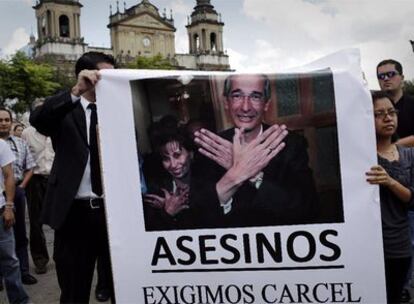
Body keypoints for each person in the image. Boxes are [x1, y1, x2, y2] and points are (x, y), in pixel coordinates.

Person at [29, 51, 115, 303]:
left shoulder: (120, 111)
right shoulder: (65, 108)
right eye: (103, 76)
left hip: (112, 213)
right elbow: (39, 120)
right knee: (74, 288)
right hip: (74, 213)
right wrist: (75, 91)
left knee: (120, 284)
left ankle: (105, 286)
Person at [192, 74, 318, 228]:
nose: (246, 107)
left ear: (266, 104)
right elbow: (197, 218)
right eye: (237, 96)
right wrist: (235, 175)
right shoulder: (211, 149)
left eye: (255, 97)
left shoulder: (290, 145)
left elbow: (306, 209)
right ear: (226, 102)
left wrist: (256, 177)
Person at [366, 91, 414, 304]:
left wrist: (390, 182)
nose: (388, 118)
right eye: (379, 114)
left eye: (391, 112)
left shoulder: (408, 155)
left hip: (399, 245)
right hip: (368, 247)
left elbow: (412, 199)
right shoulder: (361, 155)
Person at [377, 59, 414, 302]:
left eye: (391, 74)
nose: (386, 79)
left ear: (401, 76)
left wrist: (397, 145)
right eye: (381, 76)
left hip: (402, 228)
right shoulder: (363, 153)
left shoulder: (411, 104)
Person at [0, 108, 37, 286]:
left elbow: (30, 167)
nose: (4, 123)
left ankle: (24, 272)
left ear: (11, 121)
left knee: (20, 233)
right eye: (0, 120)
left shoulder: (20, 143)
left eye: (7, 119)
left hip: (18, 192)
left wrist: (21, 186)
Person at [21, 98, 54, 275]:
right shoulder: (27, 133)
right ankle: (40, 259)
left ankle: (64, 255)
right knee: (35, 221)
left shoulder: (58, 128)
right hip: (35, 179)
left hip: (56, 179)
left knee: (63, 219)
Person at [143, 123, 194, 230]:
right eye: (166, 159)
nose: (173, 164)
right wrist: (167, 212)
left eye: (177, 155)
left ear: (190, 153)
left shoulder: (208, 181)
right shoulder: (157, 191)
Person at [0, 138, 30, 303]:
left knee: (10, 261)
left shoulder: (1, 145)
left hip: (0, 211)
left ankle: (20, 301)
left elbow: (9, 175)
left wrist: (9, 207)